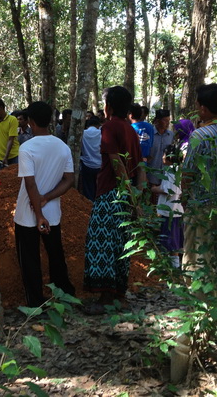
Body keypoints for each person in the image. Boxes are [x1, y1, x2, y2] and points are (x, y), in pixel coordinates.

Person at [83, 86, 144, 315]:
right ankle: (120, 295)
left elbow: (117, 164)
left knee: (102, 243)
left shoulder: (109, 127)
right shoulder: (130, 130)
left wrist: (126, 192)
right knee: (120, 244)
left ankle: (106, 297)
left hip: (111, 193)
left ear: (108, 106)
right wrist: (136, 198)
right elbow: (140, 167)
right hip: (126, 196)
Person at [14, 101, 76, 307]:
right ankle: (63, 293)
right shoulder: (63, 147)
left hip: (27, 214)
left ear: (30, 121)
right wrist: (47, 198)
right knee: (55, 254)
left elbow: (30, 184)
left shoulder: (27, 148)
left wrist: (38, 214)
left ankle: (35, 301)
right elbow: (69, 179)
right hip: (52, 212)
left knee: (30, 258)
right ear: (50, 121)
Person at [181, 84, 217, 273]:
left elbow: (188, 172)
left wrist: (184, 198)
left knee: (197, 262)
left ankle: (199, 301)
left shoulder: (200, 134)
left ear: (203, 109)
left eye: (197, 106)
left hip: (202, 207)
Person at [150, 144, 184, 268]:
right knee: (173, 240)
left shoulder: (171, 171)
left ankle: (173, 268)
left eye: (164, 155)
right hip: (176, 210)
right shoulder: (178, 169)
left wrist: (154, 189)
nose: (162, 157)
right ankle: (174, 266)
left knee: (170, 241)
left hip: (169, 211)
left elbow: (168, 189)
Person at [0, 97, 19, 171]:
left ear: (1, 108)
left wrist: (6, 156)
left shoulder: (12, 120)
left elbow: (10, 139)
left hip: (12, 156)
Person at [148, 109, 174, 191]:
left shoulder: (171, 135)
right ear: (157, 121)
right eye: (165, 120)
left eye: (168, 121)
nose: (167, 123)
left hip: (166, 176)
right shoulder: (149, 134)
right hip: (151, 176)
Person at [80, 116, 102, 201]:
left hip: (86, 164)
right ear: (98, 125)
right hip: (99, 165)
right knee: (98, 189)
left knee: (88, 189)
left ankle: (89, 207)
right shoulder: (101, 133)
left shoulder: (83, 133)